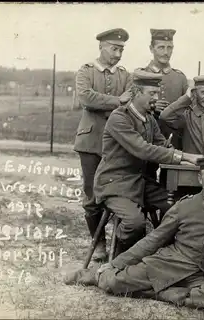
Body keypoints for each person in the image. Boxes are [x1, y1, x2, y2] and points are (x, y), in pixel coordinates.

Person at [65, 156, 204, 311]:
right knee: (113, 283)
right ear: (200, 180)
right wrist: (116, 263)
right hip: (168, 265)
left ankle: (160, 293)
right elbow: (153, 240)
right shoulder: (184, 206)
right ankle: (90, 275)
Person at [92, 69, 202, 258]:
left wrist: (169, 147)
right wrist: (185, 156)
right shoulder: (119, 118)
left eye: (157, 93)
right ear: (136, 93)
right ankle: (120, 260)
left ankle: (161, 255)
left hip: (140, 182)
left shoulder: (149, 119)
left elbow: (159, 144)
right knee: (135, 223)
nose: (156, 98)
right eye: (152, 93)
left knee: (178, 207)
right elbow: (143, 149)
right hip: (115, 184)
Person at [73, 28, 132, 261]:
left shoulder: (125, 75)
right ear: (101, 47)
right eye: (114, 48)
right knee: (91, 194)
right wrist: (118, 101)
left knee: (119, 191)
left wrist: (115, 102)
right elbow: (86, 98)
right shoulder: (86, 71)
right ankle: (98, 243)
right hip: (90, 142)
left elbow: (132, 99)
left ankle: (120, 246)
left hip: (118, 143)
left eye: (121, 50)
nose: (117, 54)